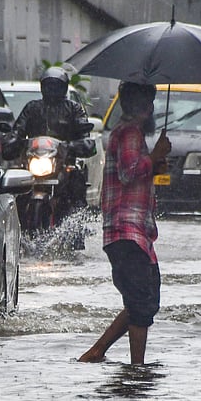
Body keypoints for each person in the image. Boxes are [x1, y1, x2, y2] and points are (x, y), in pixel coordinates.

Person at [78, 81, 171, 365]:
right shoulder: (129, 132)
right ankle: (137, 367)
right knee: (142, 301)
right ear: (145, 107)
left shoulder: (129, 133)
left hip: (135, 232)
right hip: (127, 231)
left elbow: (132, 174)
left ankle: (97, 352)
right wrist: (154, 157)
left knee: (144, 299)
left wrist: (155, 164)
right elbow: (130, 172)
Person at [9, 66, 92, 225]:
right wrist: (13, 140)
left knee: (77, 178)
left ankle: (77, 227)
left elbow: (84, 133)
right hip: (35, 160)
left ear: (64, 88)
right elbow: (18, 129)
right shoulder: (32, 108)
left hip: (63, 162)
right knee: (14, 186)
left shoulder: (74, 109)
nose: (52, 90)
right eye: (49, 85)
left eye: (56, 86)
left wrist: (76, 145)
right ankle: (15, 224)